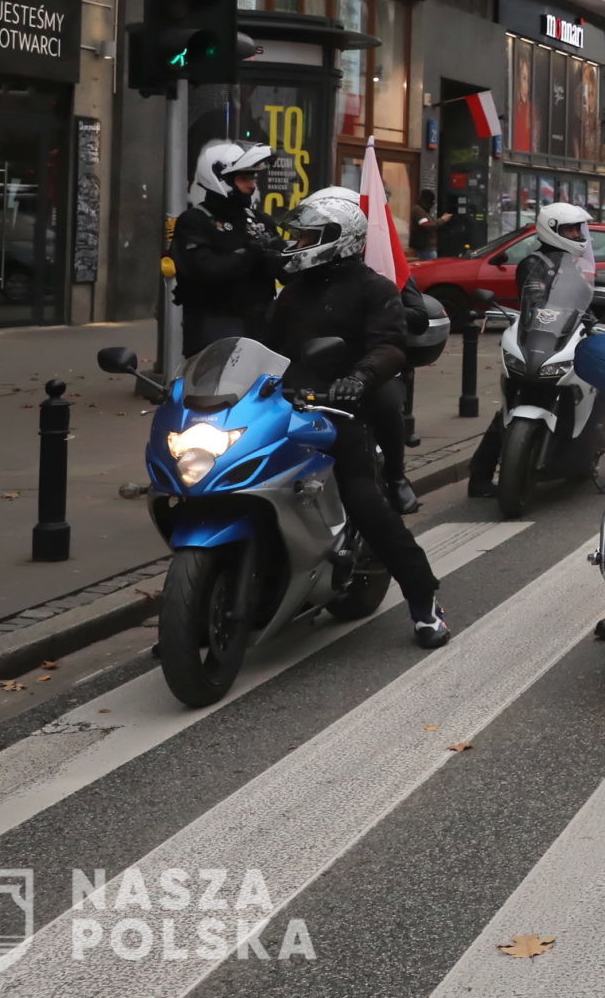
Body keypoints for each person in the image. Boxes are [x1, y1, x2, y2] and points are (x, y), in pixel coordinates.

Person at [266, 187, 449, 649]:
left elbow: (390, 345)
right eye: (299, 235)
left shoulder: (374, 288)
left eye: (309, 236)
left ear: (337, 238)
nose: (299, 242)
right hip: (286, 406)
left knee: (366, 502)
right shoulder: (292, 291)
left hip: (339, 408)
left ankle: (424, 601)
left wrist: (359, 377)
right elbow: (262, 345)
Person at [468, 202, 595, 499]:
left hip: (560, 340)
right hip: (534, 341)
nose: (578, 234)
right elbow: (537, 300)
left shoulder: (572, 265)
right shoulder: (535, 264)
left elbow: (582, 300)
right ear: (552, 230)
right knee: (507, 409)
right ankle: (480, 475)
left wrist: (591, 317)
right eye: (571, 229)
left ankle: (584, 452)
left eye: (579, 229)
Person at [169, 142, 281, 351]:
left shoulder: (259, 220)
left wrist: (282, 255)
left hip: (260, 325)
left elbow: (287, 271)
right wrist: (251, 254)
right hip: (215, 325)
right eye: (244, 178)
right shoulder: (195, 221)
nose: (252, 186)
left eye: (253, 178)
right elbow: (204, 269)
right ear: (220, 180)